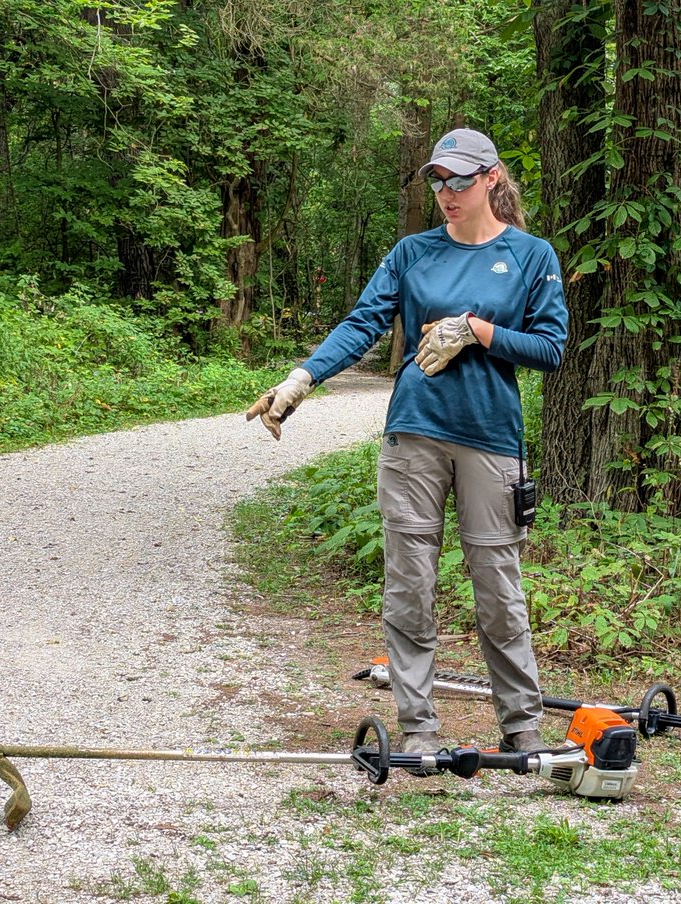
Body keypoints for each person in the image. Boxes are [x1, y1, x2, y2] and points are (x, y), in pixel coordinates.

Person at [246, 127, 568, 756]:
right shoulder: (411, 252)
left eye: (461, 180)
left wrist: (478, 332)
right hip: (413, 434)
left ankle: (522, 729)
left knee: (498, 588)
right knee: (410, 583)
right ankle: (419, 730)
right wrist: (301, 378)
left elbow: (551, 349)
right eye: (437, 181)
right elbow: (364, 321)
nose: (447, 193)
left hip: (491, 440)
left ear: (491, 179)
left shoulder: (532, 256)